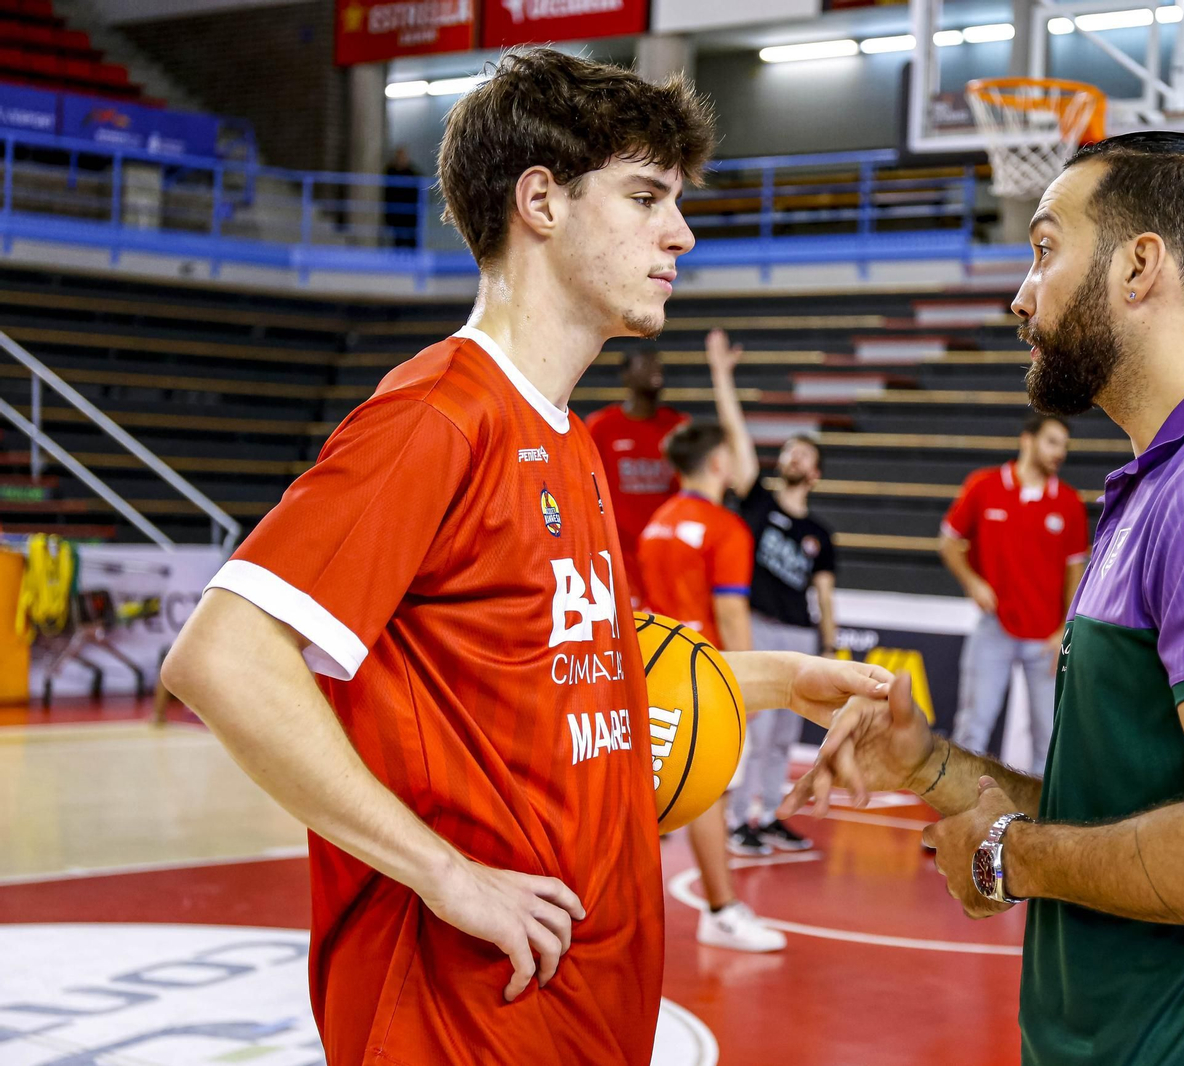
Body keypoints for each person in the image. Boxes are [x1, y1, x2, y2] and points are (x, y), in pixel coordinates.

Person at [159, 48, 888, 1066]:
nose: (681, 233)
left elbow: (561, 674)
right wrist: (442, 872)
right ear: (540, 201)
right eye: (646, 198)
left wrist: (774, 681)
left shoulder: (569, 440)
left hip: (582, 994)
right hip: (460, 1009)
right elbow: (223, 657)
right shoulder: (437, 416)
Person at [783, 133, 1184, 1066]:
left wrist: (1006, 856)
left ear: (1140, 266)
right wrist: (929, 764)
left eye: (1043, 249)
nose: (1020, 295)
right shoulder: (1166, 484)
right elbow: (1120, 804)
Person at [633, 420, 787, 951]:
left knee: (651, 799)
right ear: (718, 462)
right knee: (707, 795)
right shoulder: (726, 528)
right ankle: (721, 911)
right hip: (707, 680)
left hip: (654, 671)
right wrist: (749, 686)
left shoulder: (657, 522)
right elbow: (730, 612)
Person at [701, 328, 836, 855]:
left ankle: (774, 816)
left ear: (815, 473)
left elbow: (824, 593)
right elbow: (736, 434)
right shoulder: (756, 500)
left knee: (783, 736)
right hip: (758, 627)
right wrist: (721, 374)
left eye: (804, 453)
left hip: (800, 634)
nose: (794, 456)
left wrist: (829, 643)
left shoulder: (820, 533)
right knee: (753, 730)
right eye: (790, 450)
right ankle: (740, 822)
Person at [940, 411, 1088, 774]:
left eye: (1064, 446)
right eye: (1052, 442)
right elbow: (949, 542)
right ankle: (959, 804)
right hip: (995, 626)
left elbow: (1076, 572)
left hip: (1047, 639)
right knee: (972, 726)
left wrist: (1065, 630)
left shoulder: (1069, 502)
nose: (1060, 452)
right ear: (1027, 440)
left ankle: (1038, 810)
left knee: (1048, 738)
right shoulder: (983, 485)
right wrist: (973, 582)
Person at [584, 347, 687, 595]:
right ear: (626, 375)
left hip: (668, 550)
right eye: (646, 364)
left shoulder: (679, 427)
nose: (655, 369)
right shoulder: (602, 426)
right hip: (621, 552)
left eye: (657, 363)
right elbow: (587, 489)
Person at [383, 146, 422, 249]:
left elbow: (420, 185)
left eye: (403, 156)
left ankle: (413, 254)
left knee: (412, 238)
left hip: (410, 212)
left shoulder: (412, 173)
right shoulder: (390, 171)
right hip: (396, 211)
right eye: (399, 157)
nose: (401, 159)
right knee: (397, 239)